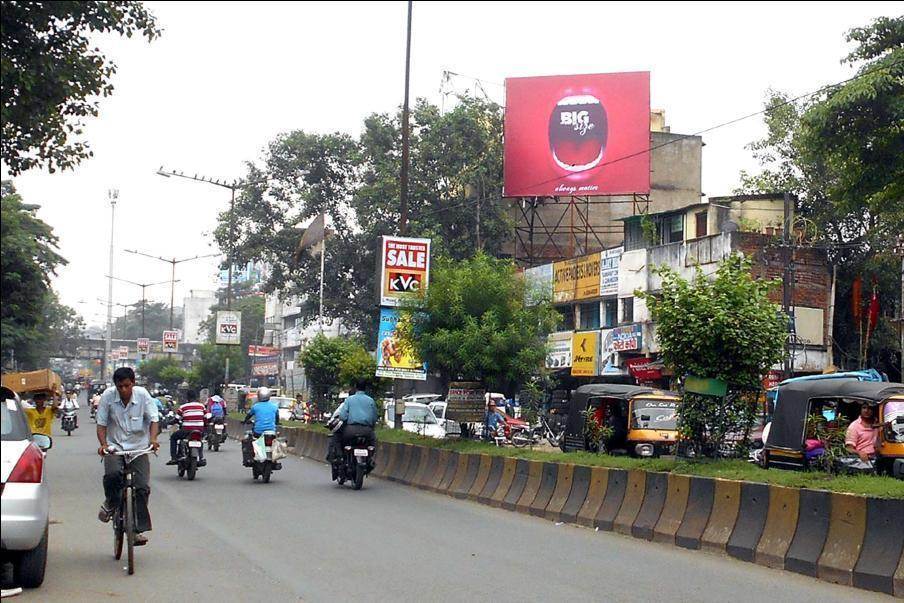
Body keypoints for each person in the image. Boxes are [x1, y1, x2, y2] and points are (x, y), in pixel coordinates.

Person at [96, 367, 160, 546]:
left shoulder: (143, 395)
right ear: (115, 386)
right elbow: (101, 424)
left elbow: (154, 420)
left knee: (142, 487)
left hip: (139, 448)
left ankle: (136, 530)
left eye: (126, 385)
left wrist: (153, 439)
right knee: (112, 474)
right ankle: (111, 502)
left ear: (133, 383)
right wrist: (103, 445)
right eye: (120, 386)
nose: (123, 390)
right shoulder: (107, 397)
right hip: (115, 447)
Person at [327, 381, 377, 463]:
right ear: (365, 388)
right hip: (367, 431)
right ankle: (370, 460)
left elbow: (342, 416)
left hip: (350, 430)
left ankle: (341, 457)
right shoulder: (371, 400)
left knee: (339, 439)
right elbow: (374, 417)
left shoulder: (349, 400)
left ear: (356, 387)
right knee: (372, 443)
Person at [166, 390, 208, 466]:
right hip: (199, 430)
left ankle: (174, 457)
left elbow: (176, 419)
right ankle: (201, 457)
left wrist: (171, 422)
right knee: (200, 440)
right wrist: (204, 427)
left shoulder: (183, 407)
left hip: (187, 430)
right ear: (196, 397)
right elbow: (206, 418)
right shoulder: (202, 406)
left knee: (173, 437)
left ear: (187, 398)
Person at [241, 387, 280, 466]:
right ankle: (274, 460)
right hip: (271, 432)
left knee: (250, 441)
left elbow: (249, 415)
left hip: (258, 432)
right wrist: (276, 424)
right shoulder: (274, 407)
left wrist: (245, 421)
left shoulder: (256, 407)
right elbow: (277, 418)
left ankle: (251, 458)